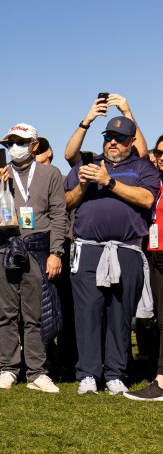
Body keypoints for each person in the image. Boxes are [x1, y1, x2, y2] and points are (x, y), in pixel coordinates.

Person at [64, 115, 160, 395]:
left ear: (132, 141)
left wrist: (109, 182)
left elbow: (146, 199)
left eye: (119, 138)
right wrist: (83, 186)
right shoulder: (87, 164)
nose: (113, 143)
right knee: (87, 313)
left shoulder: (143, 167)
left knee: (120, 314)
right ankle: (88, 374)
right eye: (108, 137)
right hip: (88, 249)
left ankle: (116, 373)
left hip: (126, 250)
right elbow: (66, 201)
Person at [0, 124, 67, 393]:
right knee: (6, 314)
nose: (14, 147)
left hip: (38, 248)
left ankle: (37, 371)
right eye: (10, 143)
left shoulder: (51, 173)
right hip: (4, 246)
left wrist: (56, 252)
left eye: (20, 141)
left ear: (34, 144)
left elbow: (59, 215)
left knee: (34, 314)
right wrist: (1, 185)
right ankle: (8, 369)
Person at [125, 133, 163, 400]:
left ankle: (161, 381)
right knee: (160, 319)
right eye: (159, 152)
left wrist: (127, 111)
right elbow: (139, 152)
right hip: (155, 255)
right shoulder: (157, 183)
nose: (160, 157)